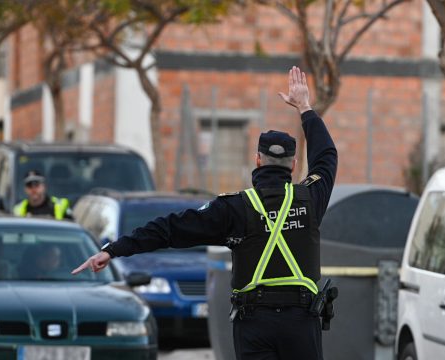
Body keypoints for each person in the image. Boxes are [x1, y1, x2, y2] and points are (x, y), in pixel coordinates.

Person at [72, 66, 337, 360]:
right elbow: (326, 157)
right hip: (301, 323)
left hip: (255, 324)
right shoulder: (310, 199)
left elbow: (171, 229)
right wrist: (305, 107)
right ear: (293, 163)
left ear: (258, 160)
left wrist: (115, 249)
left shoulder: (234, 208)